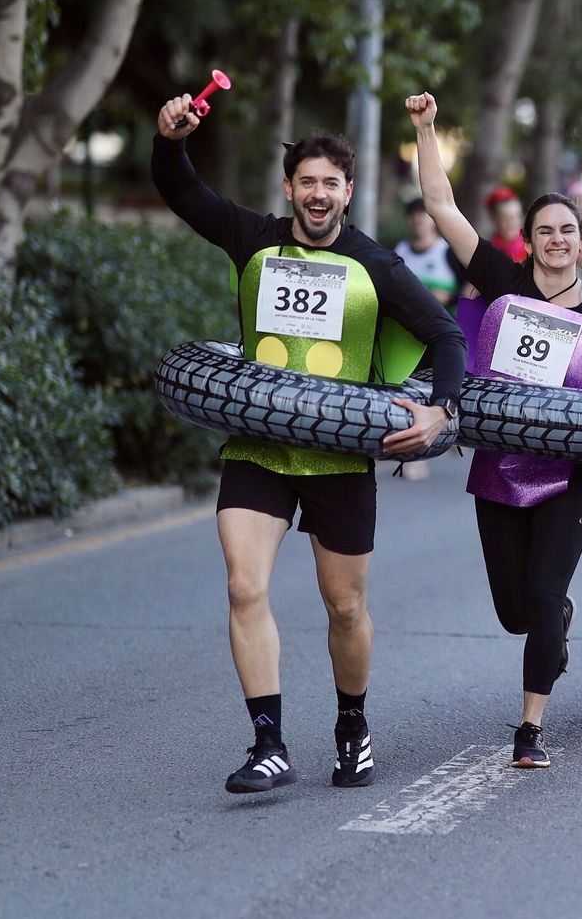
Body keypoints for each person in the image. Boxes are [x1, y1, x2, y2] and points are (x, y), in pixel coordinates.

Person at [152, 95, 466, 795]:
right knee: (243, 585)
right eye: (307, 182)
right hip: (258, 446)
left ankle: (351, 725)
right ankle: (268, 743)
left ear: (348, 193)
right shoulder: (254, 237)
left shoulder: (376, 265)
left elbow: (447, 336)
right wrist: (169, 141)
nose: (318, 194)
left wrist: (441, 411)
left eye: (331, 183)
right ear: (289, 188)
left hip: (338, 455)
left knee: (345, 609)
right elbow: (182, 191)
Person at [408, 92, 582, 769]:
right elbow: (444, 208)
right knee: (516, 611)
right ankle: (551, 625)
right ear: (530, 241)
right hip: (497, 471)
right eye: (546, 232)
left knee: (540, 594)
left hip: (570, 478)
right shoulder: (503, 282)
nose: (558, 241)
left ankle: (530, 728)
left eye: (569, 230)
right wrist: (424, 130)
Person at [394, 197, 460, 308]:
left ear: (434, 219)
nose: (416, 219)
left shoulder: (449, 251)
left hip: (445, 320)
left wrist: (449, 298)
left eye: (422, 214)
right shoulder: (399, 251)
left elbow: (469, 290)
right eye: (412, 214)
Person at [485, 187, 527, 263]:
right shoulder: (489, 253)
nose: (513, 222)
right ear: (494, 221)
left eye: (517, 216)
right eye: (506, 218)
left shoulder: (531, 248)